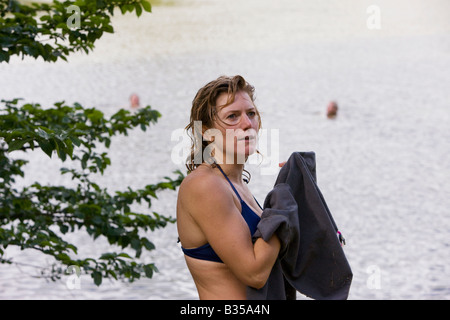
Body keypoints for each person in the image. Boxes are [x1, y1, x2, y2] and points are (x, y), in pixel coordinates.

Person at [177, 75, 281, 300]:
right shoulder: (204, 186)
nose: (247, 124)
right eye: (232, 116)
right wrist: (284, 201)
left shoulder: (234, 184)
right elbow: (254, 273)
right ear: (205, 131)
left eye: (251, 113)